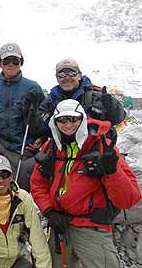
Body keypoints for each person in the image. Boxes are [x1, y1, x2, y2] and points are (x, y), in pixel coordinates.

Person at [30, 99, 141, 268]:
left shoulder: (101, 146)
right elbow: (38, 183)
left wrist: (112, 171)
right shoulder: (50, 147)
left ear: (82, 119)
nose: (68, 124)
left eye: (73, 119)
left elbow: (128, 199)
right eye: (62, 120)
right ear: (55, 122)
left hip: (91, 227)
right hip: (60, 226)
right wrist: (49, 210)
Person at [0, 43, 45, 190]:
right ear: (0, 64)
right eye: (6, 61)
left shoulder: (33, 87)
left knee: (20, 184)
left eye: (15, 61)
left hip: (22, 146)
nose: (10, 64)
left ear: (21, 62)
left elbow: (44, 117)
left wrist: (41, 139)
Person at [31, 58, 126, 137]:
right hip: (62, 151)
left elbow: (118, 119)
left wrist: (112, 106)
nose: (67, 78)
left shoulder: (95, 97)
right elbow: (41, 128)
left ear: (79, 76)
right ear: (57, 78)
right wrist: (31, 110)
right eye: (61, 74)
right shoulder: (51, 101)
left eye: (72, 73)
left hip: (92, 150)